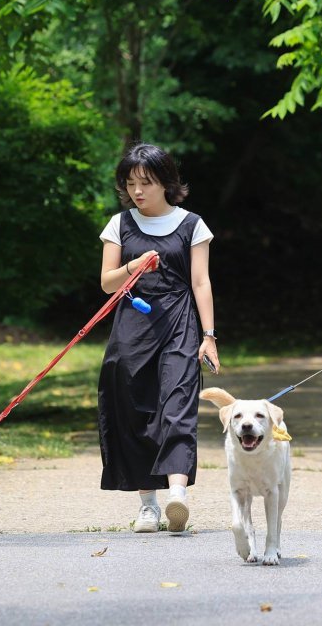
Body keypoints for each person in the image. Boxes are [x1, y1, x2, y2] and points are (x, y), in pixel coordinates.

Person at [97, 142, 219, 534]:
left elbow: (200, 281)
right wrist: (134, 264)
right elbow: (106, 283)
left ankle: (176, 496)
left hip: (180, 321)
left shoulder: (192, 224)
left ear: (165, 182)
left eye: (145, 182)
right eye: (130, 183)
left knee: (178, 404)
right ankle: (147, 505)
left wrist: (209, 335)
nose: (137, 191)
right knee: (134, 410)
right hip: (132, 326)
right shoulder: (120, 224)